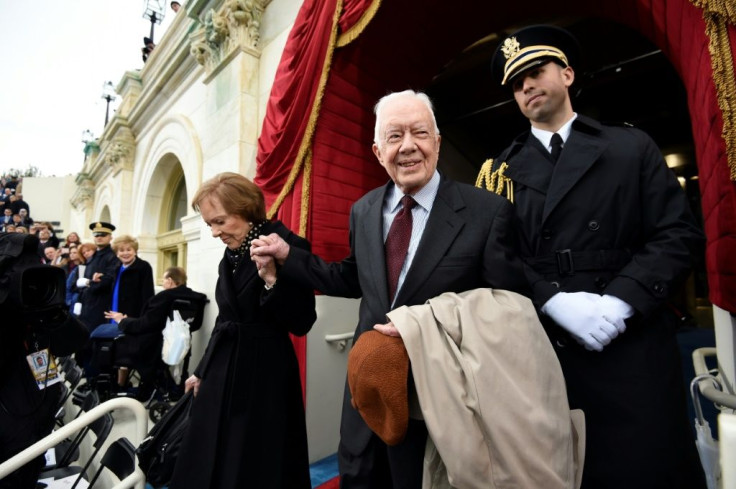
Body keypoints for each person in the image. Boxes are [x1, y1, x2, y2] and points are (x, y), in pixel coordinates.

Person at [251, 90, 527, 489]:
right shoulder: (363, 210)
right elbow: (352, 278)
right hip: (368, 394)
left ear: (437, 142)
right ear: (378, 151)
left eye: (419, 132)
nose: (409, 145)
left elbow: (508, 307)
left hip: (439, 400)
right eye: (395, 136)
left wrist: (426, 323)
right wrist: (289, 256)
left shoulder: (487, 211)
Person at [478, 25, 706, 489]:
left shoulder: (629, 146)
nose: (524, 86)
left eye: (534, 71)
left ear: (567, 74)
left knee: (648, 467)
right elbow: (496, 258)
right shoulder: (499, 170)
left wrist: (620, 302)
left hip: (632, 336)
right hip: (547, 346)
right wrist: (553, 301)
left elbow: (676, 233)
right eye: (515, 83)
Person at [169, 172, 317, 489]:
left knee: (259, 464)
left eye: (219, 221)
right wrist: (201, 370)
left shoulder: (288, 245)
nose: (213, 232)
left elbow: (302, 321)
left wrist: (272, 281)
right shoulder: (231, 253)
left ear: (246, 209)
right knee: (211, 456)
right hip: (223, 369)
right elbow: (225, 319)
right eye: (209, 224)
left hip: (267, 374)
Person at [105, 267, 207, 402]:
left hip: (153, 349)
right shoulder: (197, 299)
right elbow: (195, 325)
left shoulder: (164, 297)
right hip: (181, 347)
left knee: (108, 345)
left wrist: (122, 320)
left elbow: (145, 325)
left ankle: (121, 387)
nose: (163, 283)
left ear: (170, 281)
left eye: (164, 280)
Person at [90, 234, 155, 390]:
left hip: (131, 316)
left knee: (126, 351)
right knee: (114, 348)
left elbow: (148, 296)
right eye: (121, 250)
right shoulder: (118, 267)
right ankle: (116, 383)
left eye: (129, 249)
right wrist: (98, 278)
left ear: (135, 250)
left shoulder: (143, 267)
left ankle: (123, 384)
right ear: (116, 253)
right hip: (115, 312)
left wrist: (136, 318)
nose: (125, 253)